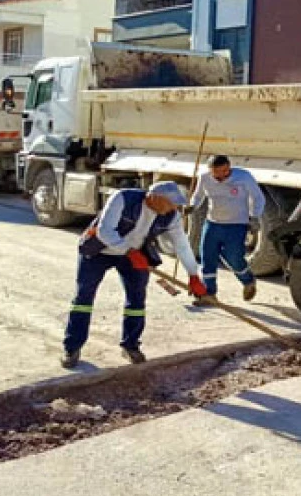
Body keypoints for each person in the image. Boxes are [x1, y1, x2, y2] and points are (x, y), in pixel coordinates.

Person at [62, 181, 201, 368]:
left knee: (136, 300)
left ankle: (130, 345)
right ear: (154, 197)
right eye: (171, 203)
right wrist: (129, 251)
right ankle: (72, 347)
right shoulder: (123, 198)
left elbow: (182, 246)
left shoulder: (171, 216)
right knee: (83, 298)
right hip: (99, 251)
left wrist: (193, 275)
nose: (173, 208)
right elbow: (104, 231)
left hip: (134, 255)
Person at [190, 155, 265, 304]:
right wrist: (192, 206)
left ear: (229, 167)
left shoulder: (243, 177)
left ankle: (248, 281)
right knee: (207, 258)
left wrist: (254, 216)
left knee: (234, 258)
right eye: (216, 173)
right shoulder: (204, 178)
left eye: (224, 171)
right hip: (212, 224)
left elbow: (258, 197)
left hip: (236, 225)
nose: (221, 176)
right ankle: (209, 293)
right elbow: (198, 196)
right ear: (210, 170)